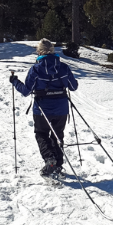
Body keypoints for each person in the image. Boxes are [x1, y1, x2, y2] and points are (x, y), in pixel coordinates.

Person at [10, 39, 78, 178]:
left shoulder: (36, 69)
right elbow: (73, 86)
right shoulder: (63, 67)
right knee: (57, 135)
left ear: (39, 51)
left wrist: (15, 82)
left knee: (41, 134)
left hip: (42, 108)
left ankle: (49, 159)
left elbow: (26, 91)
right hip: (61, 108)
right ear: (52, 50)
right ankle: (57, 164)